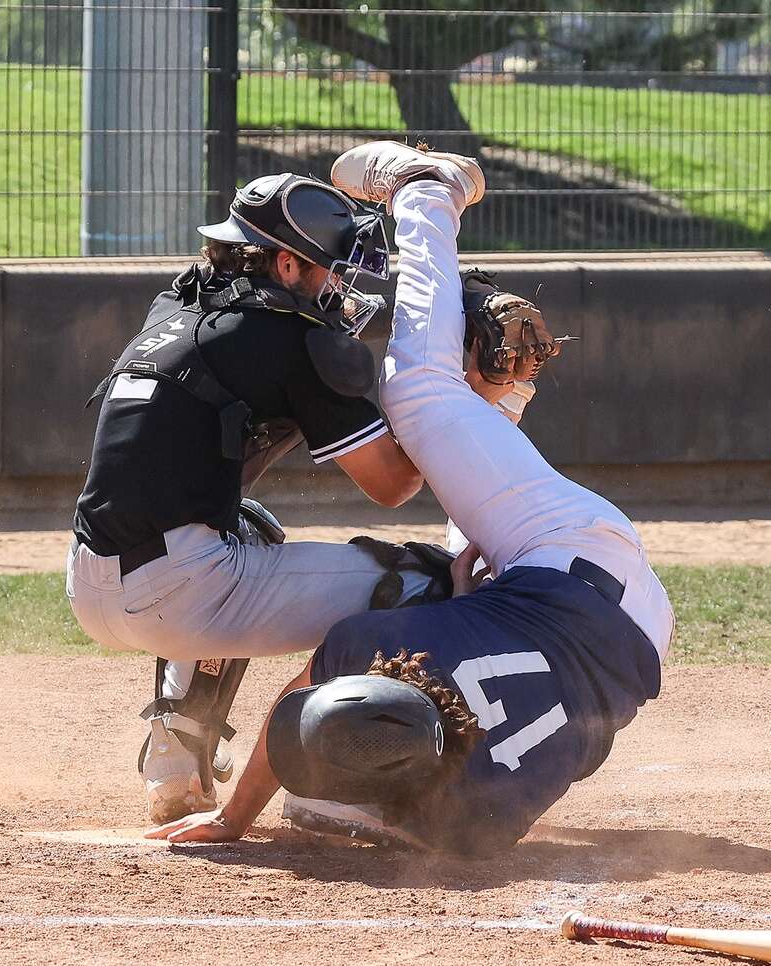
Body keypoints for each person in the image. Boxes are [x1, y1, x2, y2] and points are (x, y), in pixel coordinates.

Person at [147, 143, 675, 855]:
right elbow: (301, 702)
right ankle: (487, 370)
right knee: (420, 400)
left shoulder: (471, 827)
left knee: (428, 423)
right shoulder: (377, 653)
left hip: (634, 646)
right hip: (567, 558)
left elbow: (577, 742)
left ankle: (434, 197)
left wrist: (463, 614)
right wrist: (236, 818)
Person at [68, 171, 480, 825]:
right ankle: (336, 789)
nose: (340, 288)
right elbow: (395, 486)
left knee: (249, 529)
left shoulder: (174, 308)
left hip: (90, 583)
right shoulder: (296, 340)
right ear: (286, 263)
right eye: (329, 271)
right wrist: (472, 391)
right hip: (178, 590)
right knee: (420, 583)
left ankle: (176, 762)